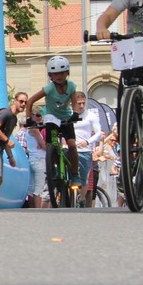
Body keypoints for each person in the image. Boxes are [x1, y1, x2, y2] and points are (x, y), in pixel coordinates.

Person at [26, 55, 80, 187]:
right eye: (55, 74)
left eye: (62, 73)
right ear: (50, 75)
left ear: (67, 73)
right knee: (52, 145)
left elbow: (74, 102)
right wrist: (28, 118)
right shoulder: (49, 88)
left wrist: (76, 113)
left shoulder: (71, 86)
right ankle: (52, 169)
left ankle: (74, 174)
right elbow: (30, 101)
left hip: (66, 117)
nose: (59, 76)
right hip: (52, 118)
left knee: (72, 145)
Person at [0, 92, 23, 208]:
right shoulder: (6, 113)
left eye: (26, 102)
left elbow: (5, 136)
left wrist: (10, 156)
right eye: (21, 101)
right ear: (14, 101)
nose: (23, 104)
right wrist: (6, 141)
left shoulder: (13, 118)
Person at [71, 91, 104, 207]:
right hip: (71, 149)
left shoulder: (90, 116)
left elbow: (99, 133)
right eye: (78, 103)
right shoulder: (67, 114)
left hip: (85, 150)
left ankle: (82, 199)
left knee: (84, 178)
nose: (81, 106)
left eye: (83, 103)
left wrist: (87, 142)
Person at [21, 104, 48, 208]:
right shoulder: (35, 130)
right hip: (39, 160)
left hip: (32, 159)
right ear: (32, 115)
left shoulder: (29, 129)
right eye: (37, 115)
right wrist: (45, 145)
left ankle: (32, 209)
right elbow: (44, 146)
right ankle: (38, 210)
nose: (40, 117)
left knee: (32, 189)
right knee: (38, 189)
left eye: (41, 115)